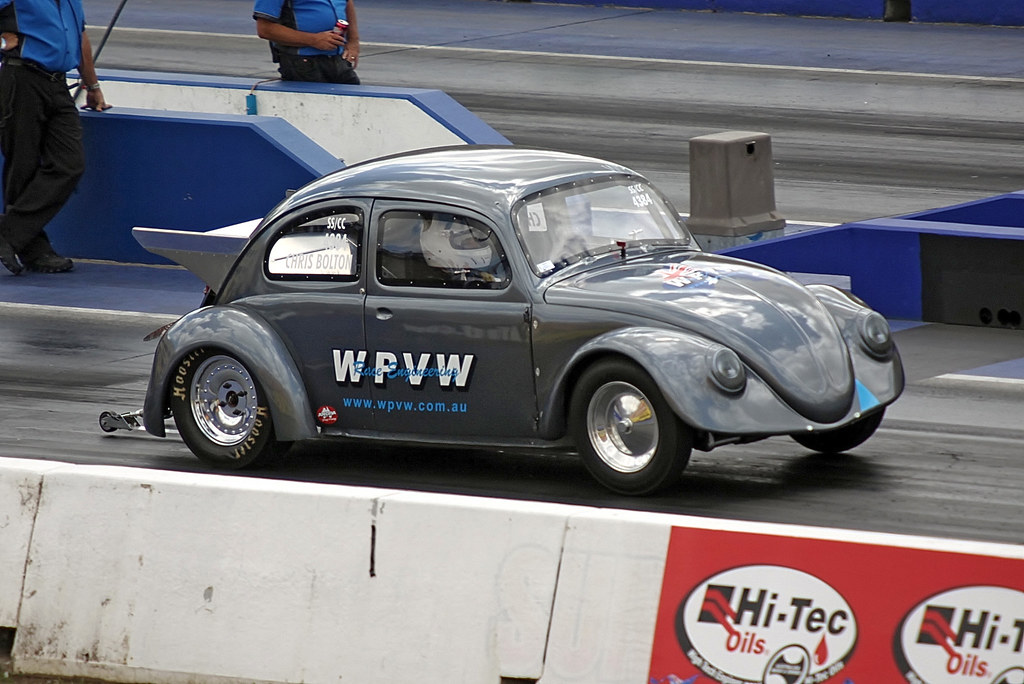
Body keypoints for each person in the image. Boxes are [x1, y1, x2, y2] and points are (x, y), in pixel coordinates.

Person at [0, 0, 110, 275]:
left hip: (58, 84)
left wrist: (92, 84)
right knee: (22, 166)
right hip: (21, 78)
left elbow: (80, 37)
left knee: (69, 164)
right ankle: (34, 251)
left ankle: (8, 234)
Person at [254, 0, 360, 85]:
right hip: (302, 63)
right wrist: (314, 40)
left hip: (339, 59)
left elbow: (347, 3)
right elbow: (265, 29)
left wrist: (353, 41)